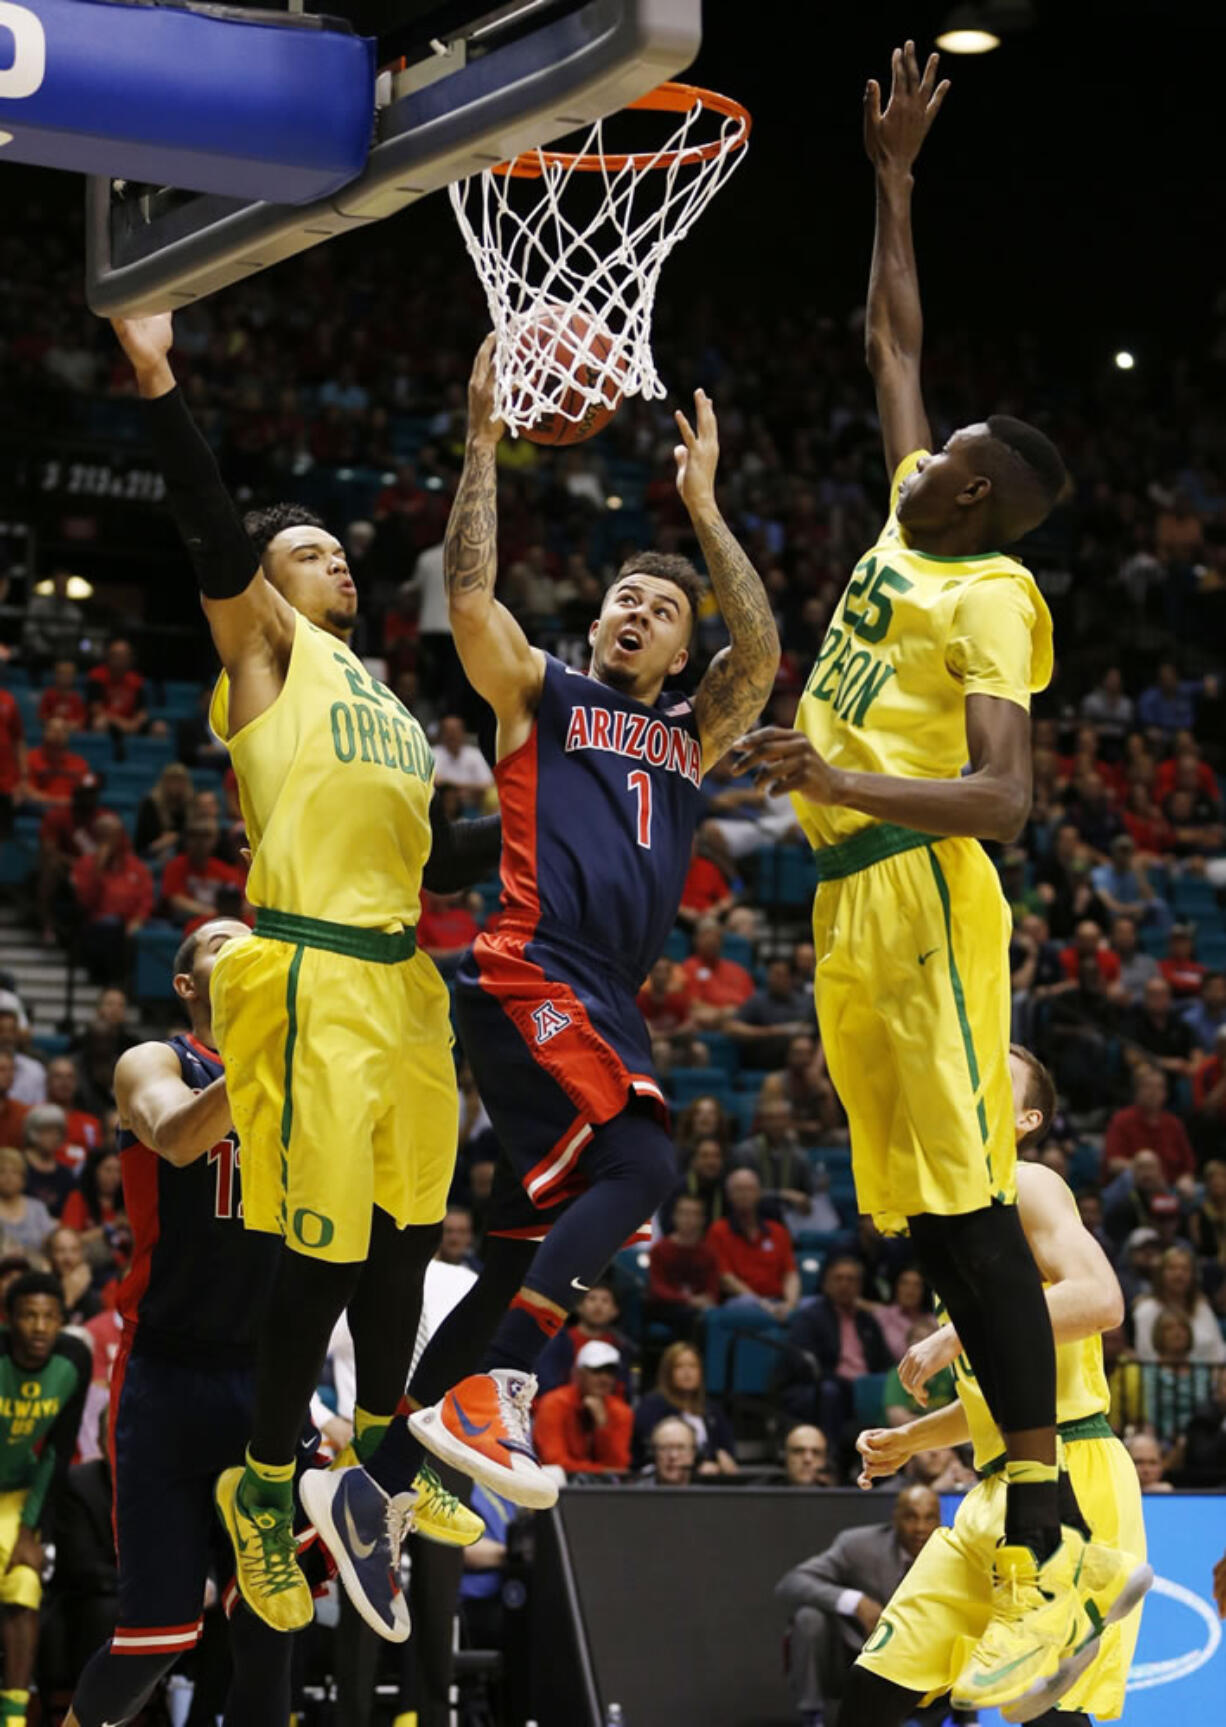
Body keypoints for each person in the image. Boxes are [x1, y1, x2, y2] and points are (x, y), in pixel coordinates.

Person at [733, 45, 1090, 1704]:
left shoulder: (995, 593)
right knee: (924, 1216)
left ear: (987, 494)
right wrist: (891, 185)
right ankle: (1024, 1495)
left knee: (971, 1205)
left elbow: (1007, 800)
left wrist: (835, 770)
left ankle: (1040, 1514)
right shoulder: (903, 513)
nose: (926, 442)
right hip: (848, 899)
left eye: (954, 455)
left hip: (927, 890)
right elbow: (893, 336)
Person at [109, 312, 501, 1640]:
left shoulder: (386, 702)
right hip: (312, 976)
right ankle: (265, 1489)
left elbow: (441, 854)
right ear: (265, 586)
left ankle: (382, 1464)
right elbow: (214, 532)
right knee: (324, 1253)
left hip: (400, 979)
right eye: (303, 549)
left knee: (404, 1234)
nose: (332, 557)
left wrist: (557, 802)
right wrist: (160, 376)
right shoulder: (267, 659)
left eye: (335, 547)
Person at [398, 340, 777, 1539]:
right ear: (600, 615)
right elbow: (468, 598)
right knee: (645, 1166)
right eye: (626, 594)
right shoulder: (542, 692)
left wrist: (703, 510)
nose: (638, 610)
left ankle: (393, 1472)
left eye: (663, 609)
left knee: (517, 1241)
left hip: (605, 990)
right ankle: (493, 1390)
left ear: (678, 651)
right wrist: (478, 440)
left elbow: (759, 656)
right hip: (525, 963)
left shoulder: (692, 732)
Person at [849, 1044, 1150, 1725]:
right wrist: (912, 1436)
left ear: (1026, 1118)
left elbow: (1102, 1299)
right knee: (872, 1690)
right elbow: (999, 1393)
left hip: (1073, 1468)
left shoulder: (1030, 1182)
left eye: (997, 1077)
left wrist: (960, 1330)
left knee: (1047, 1712)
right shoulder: (962, 1220)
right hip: (991, 1484)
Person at [775, 1486, 945, 1727]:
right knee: (809, 1618)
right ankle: (812, 1717)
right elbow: (793, 1582)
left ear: (940, 1520)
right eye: (910, 1517)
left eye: (929, 1518)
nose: (920, 1528)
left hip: (921, 1664)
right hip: (856, 1657)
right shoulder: (859, 1545)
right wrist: (854, 1602)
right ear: (895, 1517)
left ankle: (963, 1718)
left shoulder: (952, 1554)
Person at [0, 1272, 90, 1727]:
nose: (38, 1327)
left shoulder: (74, 1360)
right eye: (28, 1316)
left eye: (49, 1317)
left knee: (24, 1586)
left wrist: (33, 1529)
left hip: (17, 1494)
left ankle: (13, 1717)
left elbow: (58, 1448)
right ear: (9, 1320)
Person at [778, 1253, 893, 1451]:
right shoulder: (810, 1318)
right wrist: (849, 1385)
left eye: (851, 1279)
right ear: (826, 1284)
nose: (845, 1285)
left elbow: (884, 1360)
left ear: (859, 1286)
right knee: (831, 1392)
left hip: (860, 1388)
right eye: (838, 1279)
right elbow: (803, 1366)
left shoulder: (867, 1321)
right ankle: (829, 1459)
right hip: (817, 1389)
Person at [531, 1340, 633, 1480]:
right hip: (557, 1486)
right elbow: (554, 1462)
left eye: (610, 1372)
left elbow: (619, 1467)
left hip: (605, 1489)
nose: (604, 1378)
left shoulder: (621, 1411)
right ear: (578, 1374)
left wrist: (602, 1427)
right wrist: (602, 1471)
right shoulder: (554, 1404)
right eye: (596, 1371)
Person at [630, 1341, 736, 1475]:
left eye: (693, 1366)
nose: (687, 1372)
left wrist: (720, 1461)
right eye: (679, 1367)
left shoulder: (712, 1410)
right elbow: (651, 1450)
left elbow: (727, 1450)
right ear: (667, 1373)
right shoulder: (652, 1406)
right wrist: (699, 1465)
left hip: (706, 1479)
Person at [707, 1168, 801, 1317]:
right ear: (729, 1196)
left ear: (758, 1193)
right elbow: (725, 1279)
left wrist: (790, 1305)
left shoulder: (777, 1231)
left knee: (814, 1305)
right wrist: (763, 1305)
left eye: (749, 1189)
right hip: (742, 1302)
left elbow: (790, 1274)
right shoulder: (718, 1230)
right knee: (745, 1304)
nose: (744, 1195)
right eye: (738, 1190)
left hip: (779, 1301)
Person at [645, 1192, 720, 1341]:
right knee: (687, 1317)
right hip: (667, 1307)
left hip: (700, 1308)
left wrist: (707, 1300)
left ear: (702, 1219)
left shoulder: (709, 1252)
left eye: (694, 1214)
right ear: (674, 1216)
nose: (688, 1219)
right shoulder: (660, 1249)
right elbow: (657, 1288)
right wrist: (687, 1300)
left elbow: (713, 1289)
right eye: (684, 1213)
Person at [1131, 1245, 1225, 1363]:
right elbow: (1145, 1354)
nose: (1179, 1274)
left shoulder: (1202, 1308)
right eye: (1172, 1268)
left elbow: (1218, 1351)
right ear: (1160, 1274)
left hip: (1209, 1377)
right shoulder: (1145, 1310)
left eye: (1185, 1269)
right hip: (1158, 1378)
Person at [134, 761, 195, 860]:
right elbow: (142, 842)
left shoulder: (191, 803)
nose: (175, 785)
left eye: (180, 781)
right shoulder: (150, 803)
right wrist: (163, 843)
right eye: (172, 780)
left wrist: (175, 838)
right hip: (150, 852)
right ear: (164, 782)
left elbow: (192, 834)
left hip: (182, 853)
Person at [0, 1148, 53, 1255]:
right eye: (2, 1171)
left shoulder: (38, 1208)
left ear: (23, 1178)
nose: (8, 1177)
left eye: (15, 1172)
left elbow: (50, 1244)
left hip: (35, 1268)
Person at [639, 1416, 698, 1486]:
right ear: (653, 1453)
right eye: (665, 1448)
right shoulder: (635, 1494)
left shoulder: (708, 1493)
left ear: (693, 1453)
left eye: (681, 1448)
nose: (673, 1455)